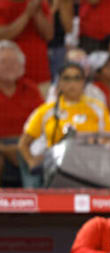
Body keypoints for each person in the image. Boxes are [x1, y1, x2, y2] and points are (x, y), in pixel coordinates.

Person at [18, 62, 110, 186]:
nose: (72, 83)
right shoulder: (46, 111)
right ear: (59, 84)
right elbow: (23, 143)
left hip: (90, 167)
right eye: (66, 78)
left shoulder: (97, 108)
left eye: (77, 78)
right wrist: (31, 160)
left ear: (84, 83)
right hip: (55, 169)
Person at [0, 40, 42, 187]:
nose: (9, 67)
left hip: (28, 143)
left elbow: (43, 122)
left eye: (14, 62)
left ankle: (36, 203)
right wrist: (4, 149)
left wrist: (22, 148)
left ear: (21, 66)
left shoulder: (31, 88)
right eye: (4, 62)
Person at [0, 0, 54, 89]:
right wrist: (26, 14)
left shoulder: (39, 3)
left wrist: (37, 12)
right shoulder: (3, 3)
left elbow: (49, 35)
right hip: (9, 75)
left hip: (39, 71)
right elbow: (3, 36)